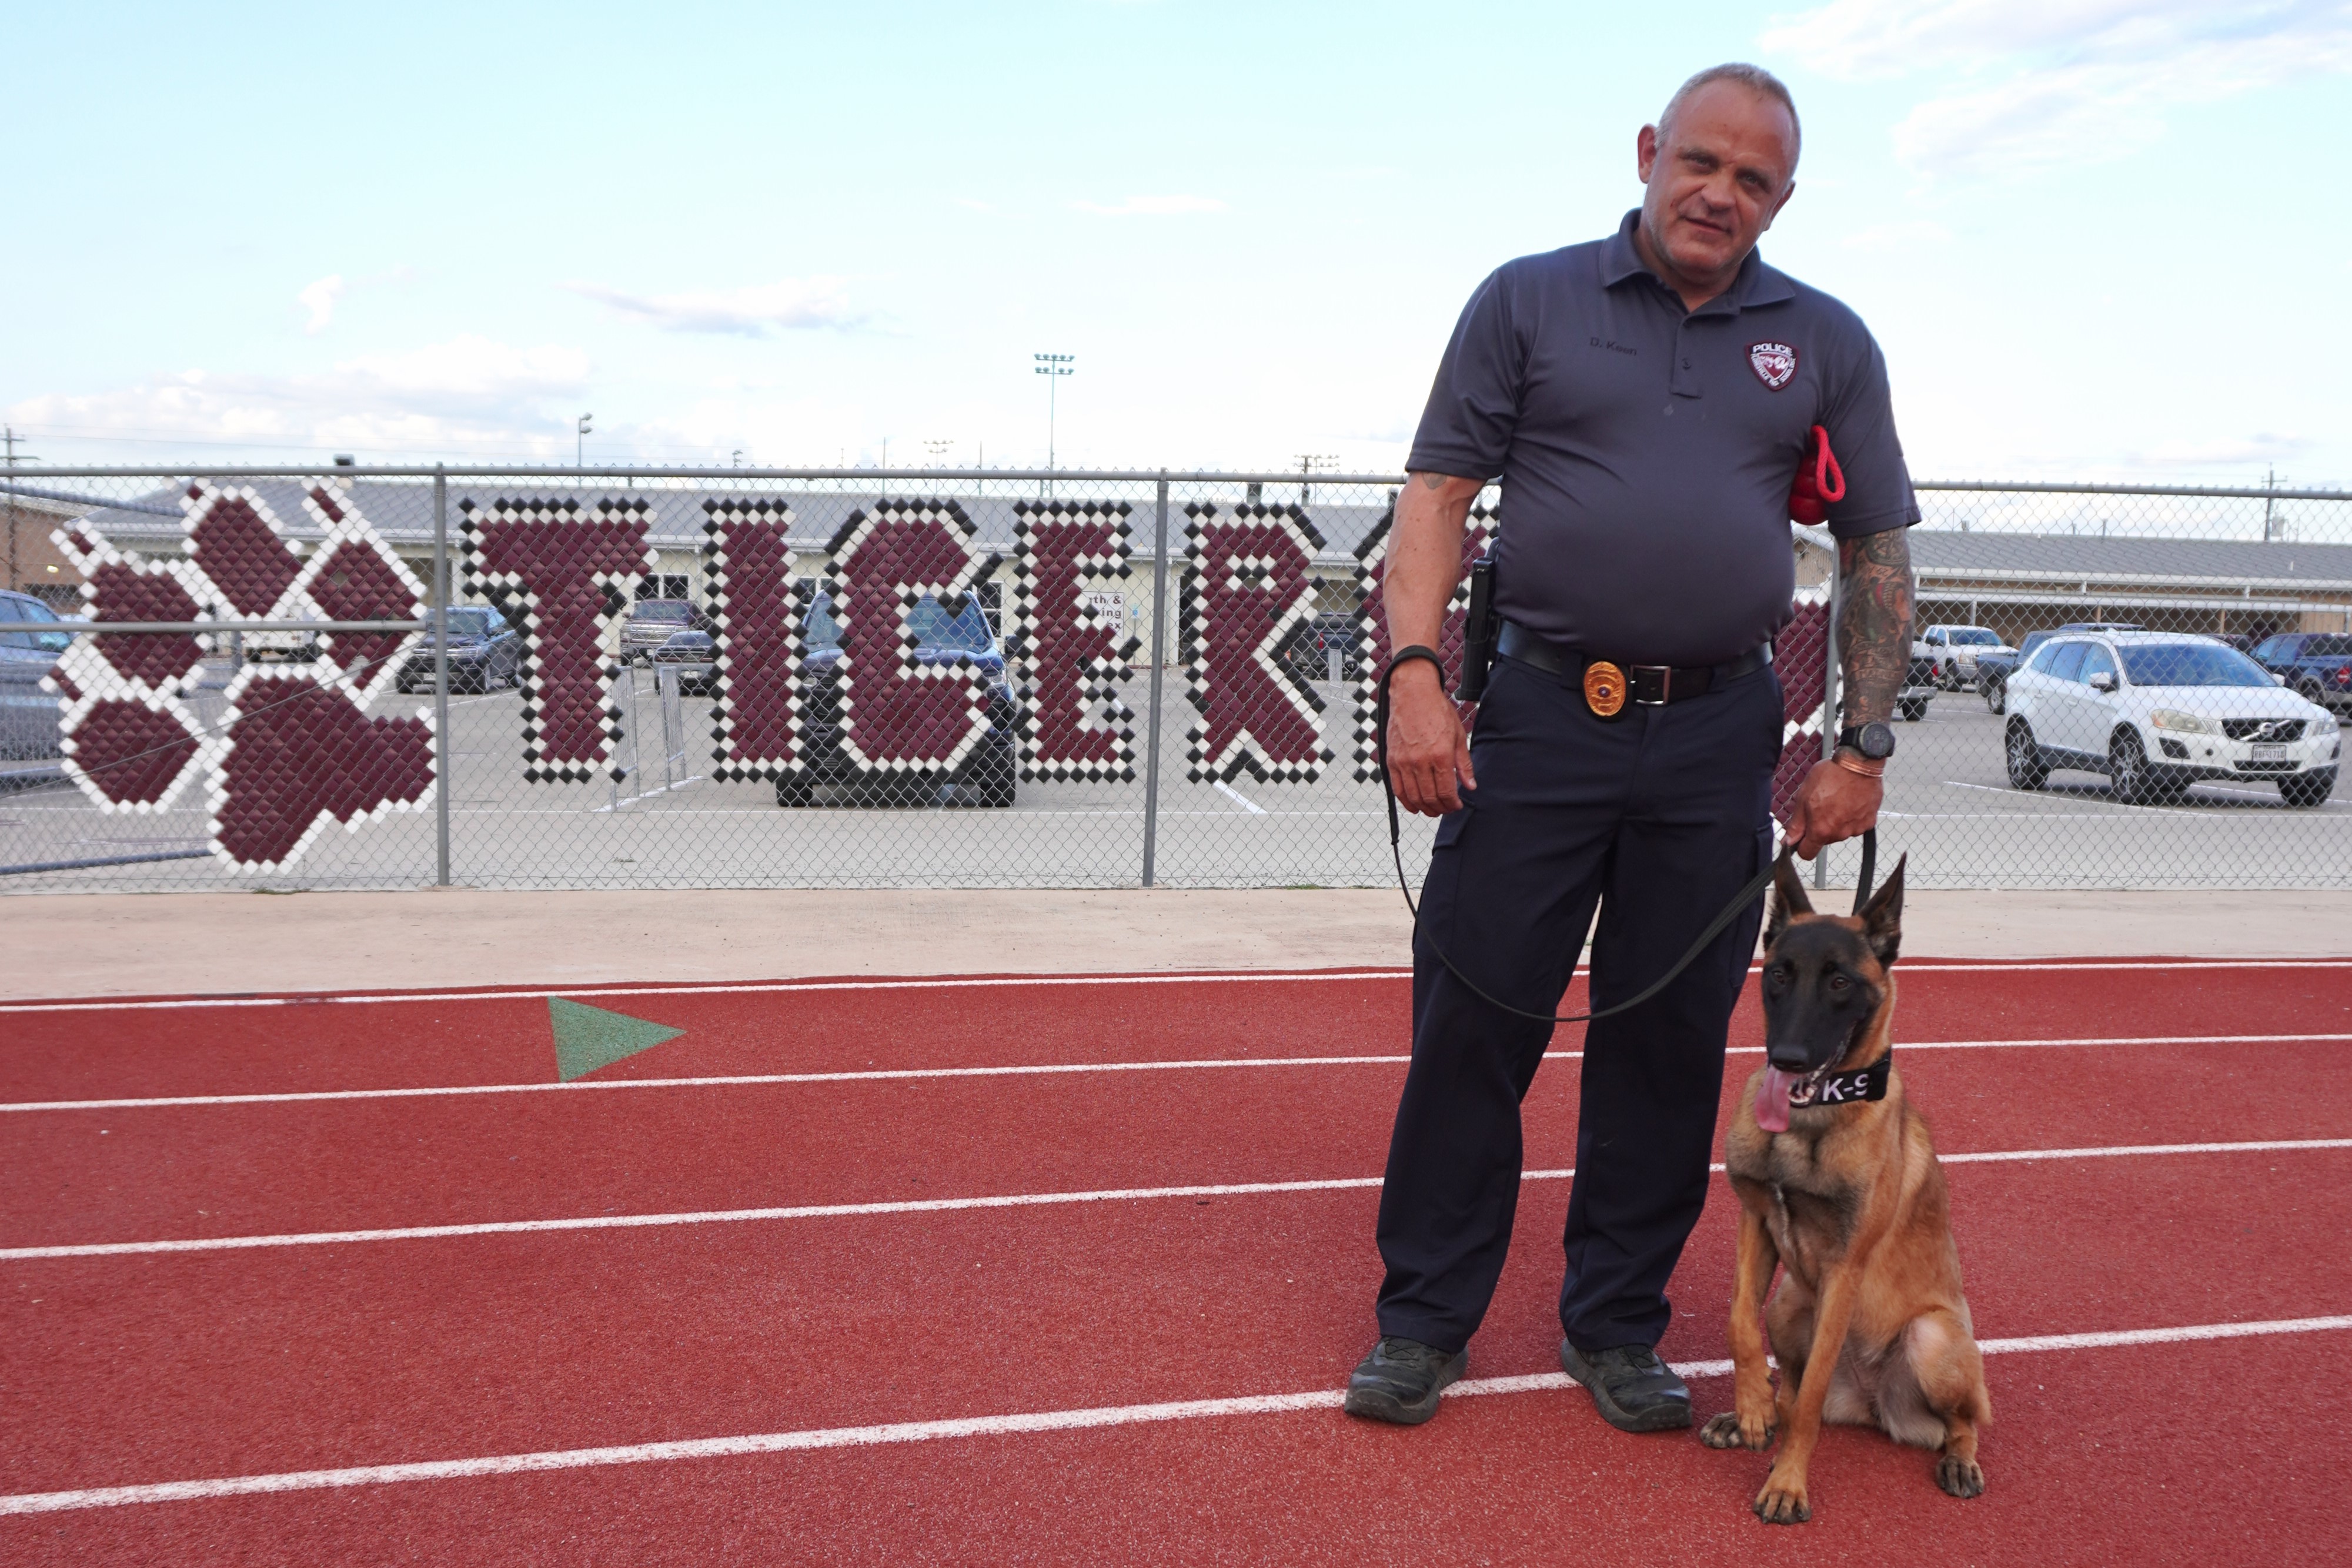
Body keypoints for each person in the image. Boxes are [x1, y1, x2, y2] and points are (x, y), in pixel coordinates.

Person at [1344, 62, 1918, 1435]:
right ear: (1650, 151)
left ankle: (1614, 1326)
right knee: (1473, 1024)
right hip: (1539, 718)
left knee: (1665, 1044)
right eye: (1701, 163)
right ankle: (1422, 1319)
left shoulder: (1824, 342)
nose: (1720, 193)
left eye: (1754, 181)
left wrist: (1862, 737)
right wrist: (1413, 681)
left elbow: (1874, 547)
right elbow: (1433, 498)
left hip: (1718, 730)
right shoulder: (1527, 300)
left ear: (1781, 199)